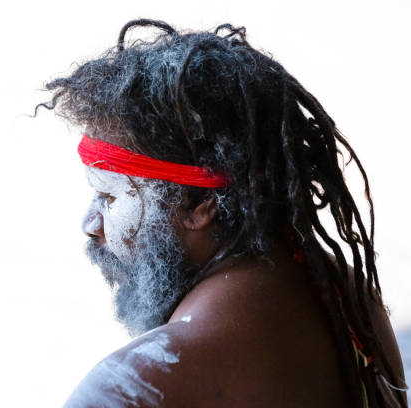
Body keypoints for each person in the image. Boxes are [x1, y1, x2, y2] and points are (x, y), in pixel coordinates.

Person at [33, 19, 408, 407]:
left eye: (109, 197)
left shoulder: (129, 389)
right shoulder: (345, 295)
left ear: (199, 205)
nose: (90, 225)